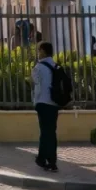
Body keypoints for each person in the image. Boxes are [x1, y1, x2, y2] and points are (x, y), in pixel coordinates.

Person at [32, 41, 59, 173]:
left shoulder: (39, 67)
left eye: (38, 50)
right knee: (51, 132)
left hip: (43, 102)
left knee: (45, 132)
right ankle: (45, 159)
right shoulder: (55, 65)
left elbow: (36, 84)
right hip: (54, 103)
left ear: (42, 51)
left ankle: (49, 161)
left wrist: (35, 101)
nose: (38, 53)